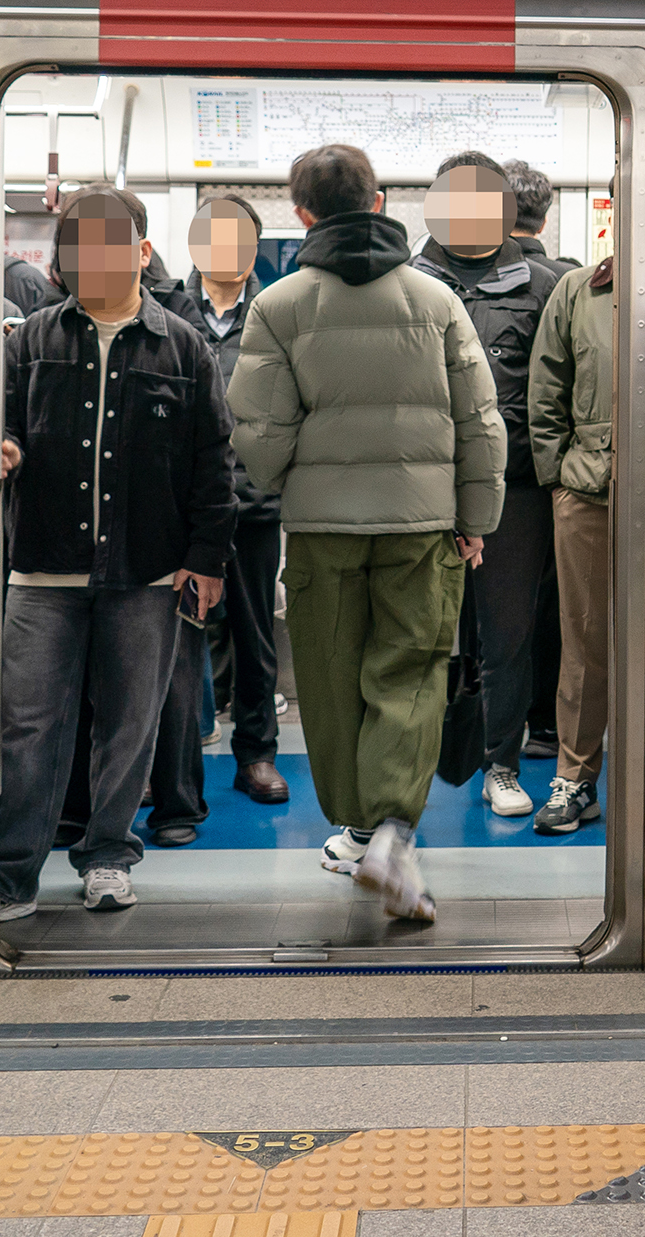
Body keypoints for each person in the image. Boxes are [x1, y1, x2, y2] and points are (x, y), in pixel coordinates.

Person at [227, 143, 504, 923]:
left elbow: (258, 439)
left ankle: (355, 824)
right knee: (409, 670)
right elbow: (480, 423)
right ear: (379, 202)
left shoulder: (276, 306)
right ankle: (389, 831)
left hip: (320, 529)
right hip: (423, 525)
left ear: (302, 212)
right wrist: (475, 520)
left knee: (327, 672)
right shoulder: (435, 299)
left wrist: (301, 471)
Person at [0, 185, 234, 920]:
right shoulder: (30, 339)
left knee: (130, 721)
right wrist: (2, 448)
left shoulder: (182, 345)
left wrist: (207, 557)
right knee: (27, 722)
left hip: (148, 569)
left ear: (141, 251)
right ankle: (11, 871)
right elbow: (2, 426)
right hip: (42, 566)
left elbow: (212, 459)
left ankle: (105, 854)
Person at [411, 154, 562, 819]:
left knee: (507, 635)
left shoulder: (548, 287)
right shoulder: (402, 283)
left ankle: (501, 762)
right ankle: (406, 766)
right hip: (419, 488)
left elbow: (560, 389)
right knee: (413, 635)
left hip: (515, 491)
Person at [161, 194, 290, 807]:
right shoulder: (168, 313)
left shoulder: (274, 315)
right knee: (176, 640)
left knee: (253, 633)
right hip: (178, 509)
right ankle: (175, 766)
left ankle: (257, 755)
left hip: (252, 504)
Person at [525, 223, 615, 836]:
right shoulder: (580, 290)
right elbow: (546, 387)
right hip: (590, 493)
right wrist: (560, 475)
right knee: (583, 640)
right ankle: (575, 779)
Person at [504, 158, 579, 763]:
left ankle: (492, 728)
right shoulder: (571, 282)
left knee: (494, 611)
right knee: (554, 602)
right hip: (555, 477)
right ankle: (549, 726)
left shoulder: (464, 285)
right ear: (545, 214)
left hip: (491, 475)